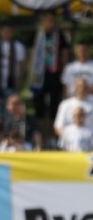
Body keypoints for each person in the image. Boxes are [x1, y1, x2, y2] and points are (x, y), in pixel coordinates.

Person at [29, 12, 70, 143]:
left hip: (55, 75)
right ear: (43, 22)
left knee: (54, 107)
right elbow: (30, 54)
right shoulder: (37, 35)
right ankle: (39, 138)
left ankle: (53, 138)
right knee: (39, 107)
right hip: (38, 76)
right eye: (47, 20)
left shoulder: (60, 36)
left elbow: (64, 54)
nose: (49, 23)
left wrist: (63, 73)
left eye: (52, 20)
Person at [0, 22, 26, 102]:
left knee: (11, 107)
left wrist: (20, 78)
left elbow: (22, 64)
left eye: (9, 31)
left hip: (12, 81)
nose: (6, 33)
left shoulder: (19, 46)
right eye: (4, 31)